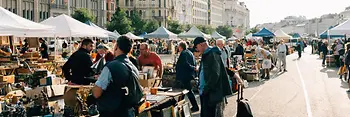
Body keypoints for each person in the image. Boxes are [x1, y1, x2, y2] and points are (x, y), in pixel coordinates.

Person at [92, 36, 137, 116]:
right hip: (129, 111)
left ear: (116, 46)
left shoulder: (111, 66)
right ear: (130, 50)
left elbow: (97, 93)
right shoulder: (133, 67)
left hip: (112, 112)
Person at [194, 37, 232, 117]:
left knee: (210, 114)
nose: (197, 50)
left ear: (202, 44)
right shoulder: (207, 54)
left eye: (197, 47)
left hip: (210, 92)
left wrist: (207, 88)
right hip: (206, 91)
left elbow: (215, 74)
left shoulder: (212, 54)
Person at [175, 41, 199, 112]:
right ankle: (179, 106)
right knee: (183, 91)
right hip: (188, 74)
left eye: (178, 47)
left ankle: (195, 106)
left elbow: (185, 63)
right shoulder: (189, 52)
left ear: (180, 47)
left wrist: (192, 68)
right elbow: (193, 62)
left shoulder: (184, 53)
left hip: (184, 75)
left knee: (188, 91)